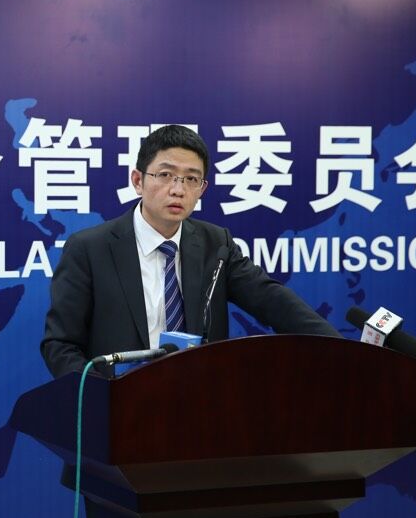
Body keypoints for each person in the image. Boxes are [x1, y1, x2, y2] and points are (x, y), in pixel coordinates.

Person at [41, 124, 339, 378]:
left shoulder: (216, 244)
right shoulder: (90, 249)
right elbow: (61, 345)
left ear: (202, 189)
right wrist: (105, 399)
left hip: (199, 406)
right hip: (118, 410)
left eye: (191, 179)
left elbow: (272, 300)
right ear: (138, 181)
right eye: (166, 175)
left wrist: (343, 349)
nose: (178, 189)